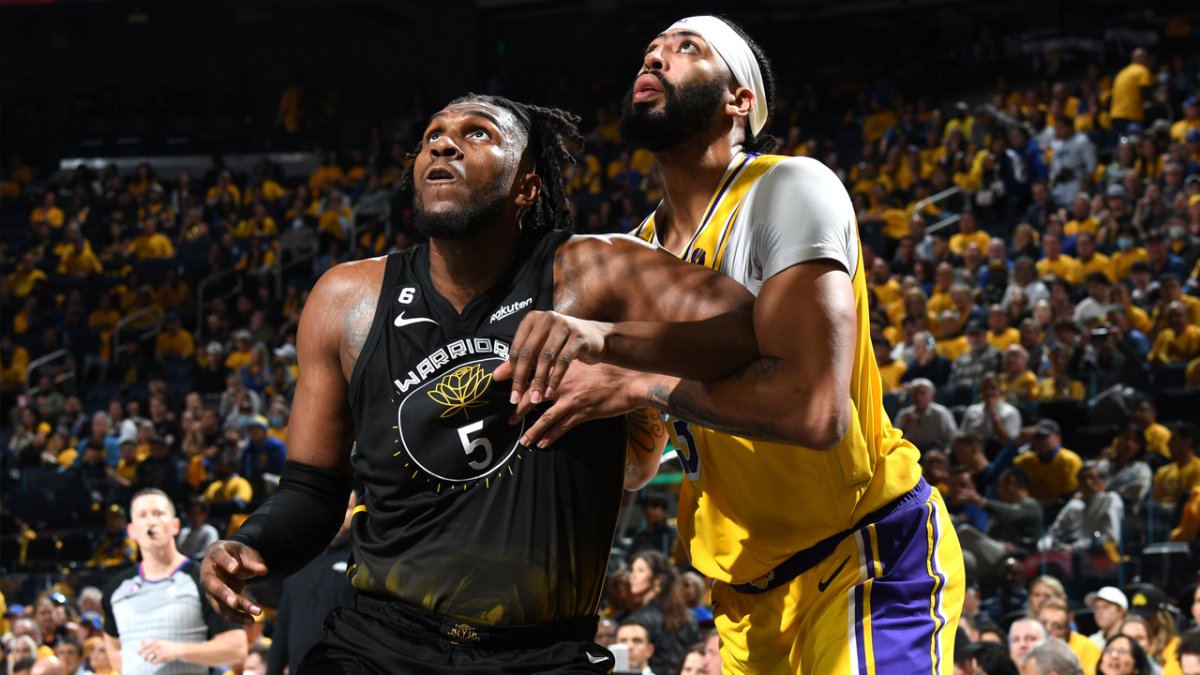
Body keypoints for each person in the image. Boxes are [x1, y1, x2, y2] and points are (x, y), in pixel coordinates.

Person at [200, 94, 758, 673]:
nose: (442, 143)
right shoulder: (347, 300)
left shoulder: (599, 272)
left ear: (527, 187)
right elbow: (314, 489)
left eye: (478, 134)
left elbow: (751, 329)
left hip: (542, 653)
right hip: (378, 644)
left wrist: (624, 358)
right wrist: (255, 542)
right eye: (432, 135)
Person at [502, 16, 963, 672]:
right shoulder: (634, 256)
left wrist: (641, 377)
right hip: (744, 605)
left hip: (864, 557)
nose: (656, 57)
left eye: (686, 48)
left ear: (739, 100)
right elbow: (640, 461)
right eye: (651, 50)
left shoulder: (788, 189)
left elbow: (813, 410)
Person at [102, 489, 247, 674]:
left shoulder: (204, 579)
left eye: (158, 514)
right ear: (131, 530)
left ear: (175, 526)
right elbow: (114, 648)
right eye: (142, 515)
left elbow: (237, 648)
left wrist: (179, 650)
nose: (151, 521)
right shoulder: (115, 589)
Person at [266, 493, 357, 675]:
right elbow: (283, 624)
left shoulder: (361, 562)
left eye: (347, 508)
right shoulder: (299, 560)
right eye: (334, 505)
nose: (340, 514)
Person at [626, 551, 701, 675]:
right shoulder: (689, 615)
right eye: (632, 570)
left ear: (657, 579)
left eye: (640, 570)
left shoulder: (642, 619)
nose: (632, 576)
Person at [1037, 599, 1102, 673]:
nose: (1047, 630)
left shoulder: (1088, 648)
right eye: (1043, 624)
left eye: (1056, 626)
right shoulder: (1026, 644)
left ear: (1067, 628)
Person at [896, 378, 958, 452]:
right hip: (911, 452)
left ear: (931, 396)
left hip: (936, 450)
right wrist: (906, 425)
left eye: (923, 394)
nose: (919, 398)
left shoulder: (941, 413)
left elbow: (952, 438)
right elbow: (895, 441)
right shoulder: (904, 414)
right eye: (915, 394)